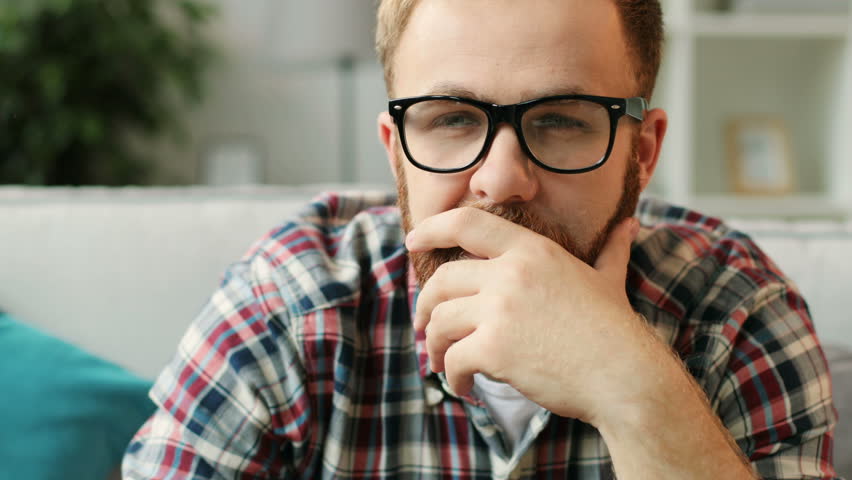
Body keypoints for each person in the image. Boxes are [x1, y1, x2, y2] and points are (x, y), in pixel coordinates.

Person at [123, 1, 839, 478]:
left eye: (561, 119)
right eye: (451, 120)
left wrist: (633, 390)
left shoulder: (736, 314)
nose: (500, 181)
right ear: (396, 150)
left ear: (642, 153)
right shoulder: (290, 307)